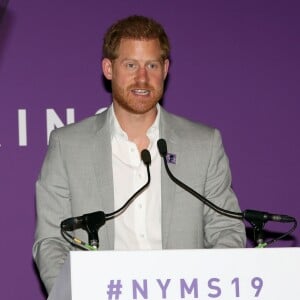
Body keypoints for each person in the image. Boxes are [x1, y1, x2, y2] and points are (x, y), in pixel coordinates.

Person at [33, 15, 246, 294]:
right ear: (109, 68)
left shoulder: (204, 144)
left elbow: (227, 231)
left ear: (166, 69)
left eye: (152, 65)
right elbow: (51, 241)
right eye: (131, 65)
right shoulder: (67, 146)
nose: (142, 78)